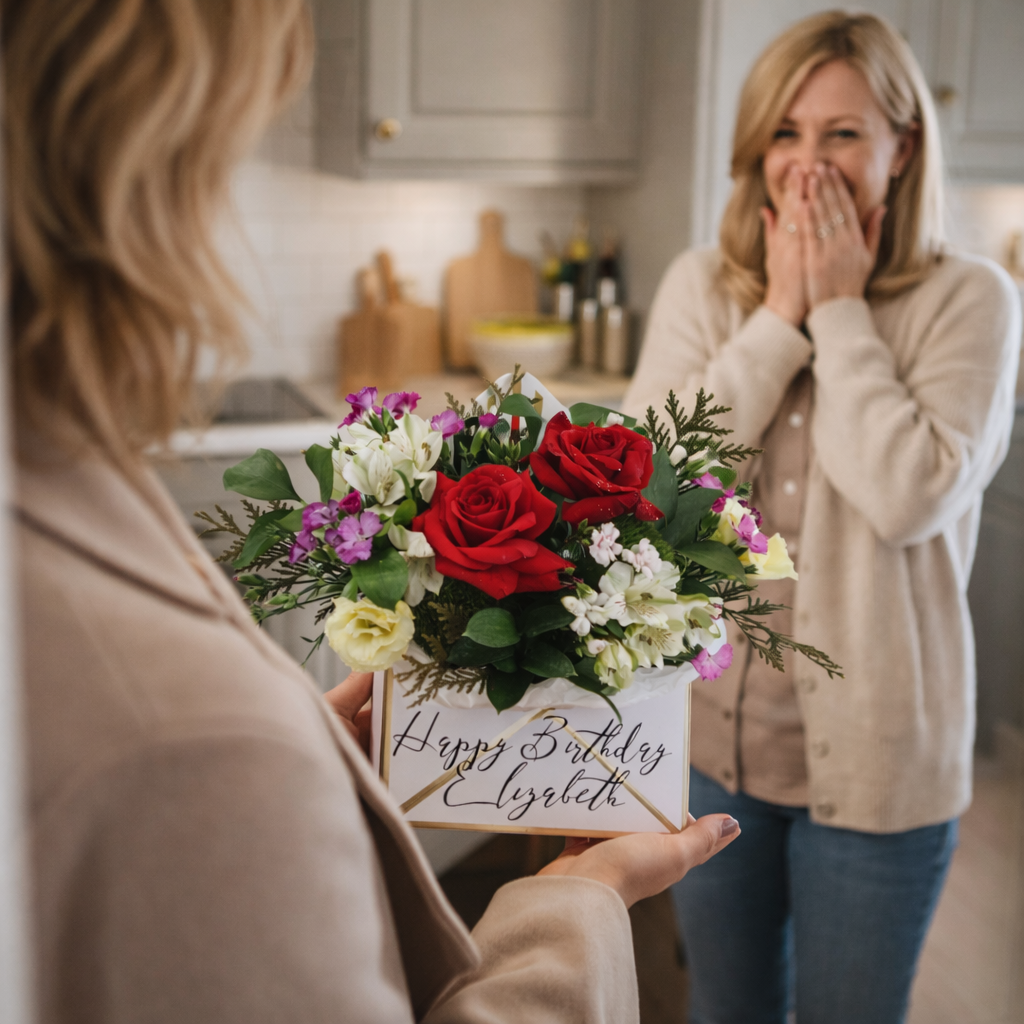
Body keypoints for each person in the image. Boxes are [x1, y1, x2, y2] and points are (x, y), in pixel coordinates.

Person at [5, 2, 741, 1022]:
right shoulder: (192, 751)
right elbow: (164, 766)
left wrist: (295, 754)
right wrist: (581, 896)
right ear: (149, 152)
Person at [624, 11, 1020, 1024]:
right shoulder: (701, 287)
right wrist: (775, 320)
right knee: (725, 1009)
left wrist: (839, 313)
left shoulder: (970, 299)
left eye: (843, 134)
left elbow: (908, 495)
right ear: (754, 153)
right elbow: (646, 489)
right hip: (711, 751)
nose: (810, 165)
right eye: (785, 135)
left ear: (902, 147)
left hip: (884, 771)